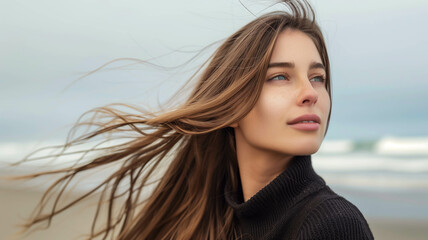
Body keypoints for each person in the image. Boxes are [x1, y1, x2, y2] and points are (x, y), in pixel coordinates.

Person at [11, 0, 374, 239]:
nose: (310, 92)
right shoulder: (222, 219)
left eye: (318, 77)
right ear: (232, 103)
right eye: (280, 76)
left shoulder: (331, 225)